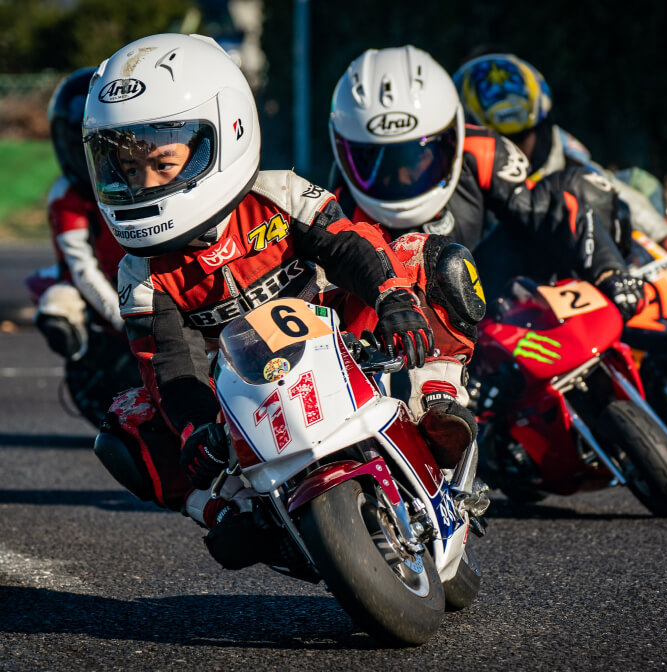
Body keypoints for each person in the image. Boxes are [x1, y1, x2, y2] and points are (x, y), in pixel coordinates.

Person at [85, 33, 483, 569]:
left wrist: (392, 300)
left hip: (338, 336)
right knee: (123, 424)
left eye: (162, 163)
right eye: (129, 170)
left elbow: (350, 246)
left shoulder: (281, 193)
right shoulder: (140, 274)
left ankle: (436, 394)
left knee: (424, 255)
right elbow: (170, 367)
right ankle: (223, 509)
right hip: (238, 383)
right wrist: (196, 428)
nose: (143, 183)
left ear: (225, 135)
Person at [328, 45, 645, 322]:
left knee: (584, 187)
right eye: (373, 159)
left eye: (418, 155)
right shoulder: (337, 206)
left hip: (493, 299)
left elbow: (549, 207)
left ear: (454, 133)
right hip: (402, 324)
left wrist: (610, 273)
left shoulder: (483, 150)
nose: (402, 176)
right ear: (342, 150)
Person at [451, 52, 667, 254]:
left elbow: (606, 185)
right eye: (502, 140)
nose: (511, 150)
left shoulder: (561, 144)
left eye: (522, 137)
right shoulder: (457, 176)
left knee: (641, 182)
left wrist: (662, 236)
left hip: (578, 259)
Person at [28, 67, 126, 360]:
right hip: (89, 285)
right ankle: (88, 361)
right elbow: (82, 268)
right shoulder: (66, 194)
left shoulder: (141, 179)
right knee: (57, 307)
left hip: (138, 277)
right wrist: (123, 319)